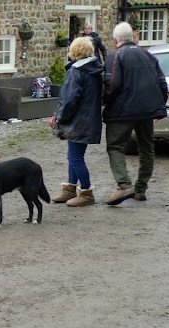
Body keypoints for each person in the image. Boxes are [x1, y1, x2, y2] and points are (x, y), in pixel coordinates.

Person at [101, 22, 168, 205]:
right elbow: (162, 83)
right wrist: (158, 108)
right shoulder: (148, 56)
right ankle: (141, 189)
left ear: (116, 40)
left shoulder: (115, 56)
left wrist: (105, 101)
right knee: (147, 149)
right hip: (147, 111)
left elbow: (112, 84)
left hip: (123, 112)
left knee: (115, 147)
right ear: (133, 38)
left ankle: (124, 185)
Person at [49, 37, 104, 207]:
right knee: (73, 156)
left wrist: (59, 116)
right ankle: (70, 189)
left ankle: (86, 192)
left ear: (75, 52)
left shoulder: (76, 71)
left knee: (76, 158)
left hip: (78, 121)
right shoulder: (93, 69)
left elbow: (69, 100)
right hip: (88, 119)